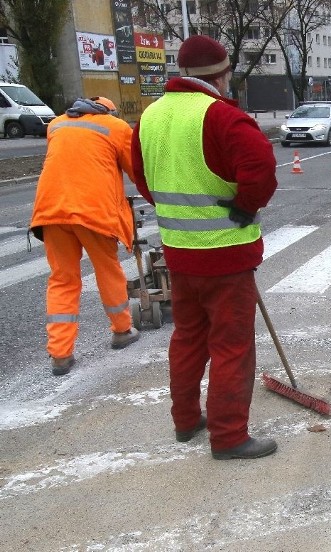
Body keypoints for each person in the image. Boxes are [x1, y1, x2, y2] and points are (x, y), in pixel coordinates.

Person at [131, 35, 279, 460]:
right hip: (226, 256)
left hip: (178, 253)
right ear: (223, 73)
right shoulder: (222, 116)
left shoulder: (151, 117)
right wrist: (244, 205)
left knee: (188, 338)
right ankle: (230, 437)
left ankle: (185, 421)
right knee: (232, 345)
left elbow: (142, 176)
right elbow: (261, 167)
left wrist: (173, 209)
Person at [29, 96, 140, 376]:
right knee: (107, 271)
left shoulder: (56, 125)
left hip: (51, 212)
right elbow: (136, 171)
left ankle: (60, 354)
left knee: (62, 279)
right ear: (110, 111)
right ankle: (122, 329)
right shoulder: (115, 127)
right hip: (93, 213)